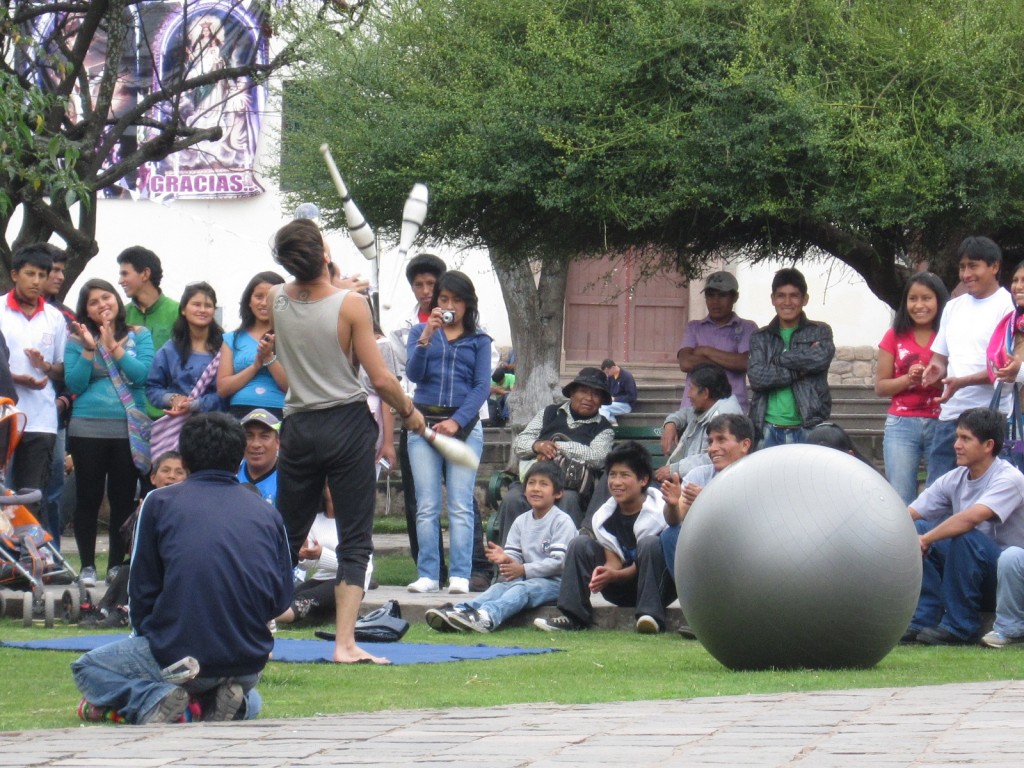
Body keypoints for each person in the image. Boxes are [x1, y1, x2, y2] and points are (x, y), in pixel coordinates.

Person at [269, 218, 425, 665]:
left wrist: (336, 277)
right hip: (346, 423)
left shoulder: (277, 297)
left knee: (286, 534)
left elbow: (311, 295)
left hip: (297, 426)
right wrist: (411, 415)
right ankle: (344, 644)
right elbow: (380, 378)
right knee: (355, 537)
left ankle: (257, 623)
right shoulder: (353, 305)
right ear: (323, 254)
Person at [70, 413, 293, 724]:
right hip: (247, 662)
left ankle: (155, 698)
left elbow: (142, 589)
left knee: (87, 667)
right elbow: (282, 598)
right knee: (251, 699)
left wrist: (152, 642)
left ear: (185, 459)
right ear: (239, 455)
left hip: (180, 657)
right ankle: (232, 705)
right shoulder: (267, 513)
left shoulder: (159, 502)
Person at [902, 408, 1024, 646]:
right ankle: (922, 619)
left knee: (964, 536)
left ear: (988, 445)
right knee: (915, 529)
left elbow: (971, 518)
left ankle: (960, 626)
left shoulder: (1010, 479)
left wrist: (927, 540)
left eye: (965, 438)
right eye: (957, 437)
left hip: (1008, 578)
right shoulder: (955, 477)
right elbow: (910, 513)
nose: (956, 444)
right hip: (972, 568)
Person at [405, 270, 491, 595]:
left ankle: (459, 575)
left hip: (465, 426)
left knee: (459, 504)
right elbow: (414, 373)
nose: (450, 305)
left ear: (468, 304)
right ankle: (428, 573)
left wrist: (457, 421)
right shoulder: (419, 331)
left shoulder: (479, 340)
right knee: (426, 505)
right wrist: (427, 335)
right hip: (423, 425)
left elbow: (482, 386)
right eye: (444, 299)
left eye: (456, 300)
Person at [65, 279, 154, 587]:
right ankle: (87, 566)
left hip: (126, 429)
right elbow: (75, 385)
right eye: (93, 301)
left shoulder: (139, 335)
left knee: (122, 498)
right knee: (87, 496)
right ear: (85, 310)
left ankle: (116, 565)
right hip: (86, 427)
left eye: (107, 297)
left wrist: (112, 345)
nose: (102, 304)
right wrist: (90, 348)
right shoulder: (76, 339)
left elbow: (141, 375)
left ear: (117, 300)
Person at [533, 441, 673, 634]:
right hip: (621, 588)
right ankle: (573, 616)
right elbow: (613, 561)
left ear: (643, 480)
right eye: (613, 475)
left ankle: (650, 618)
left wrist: (616, 575)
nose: (616, 482)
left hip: (657, 588)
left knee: (650, 544)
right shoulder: (604, 516)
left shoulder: (659, 511)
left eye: (625, 475)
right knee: (580, 543)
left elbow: (647, 560)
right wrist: (604, 574)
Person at [425, 461, 577, 633]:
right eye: (531, 483)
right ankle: (462, 610)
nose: (536, 488)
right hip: (528, 578)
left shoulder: (561, 521)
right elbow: (515, 559)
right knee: (500, 586)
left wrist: (523, 569)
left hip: (556, 583)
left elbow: (559, 563)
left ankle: (487, 617)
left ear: (558, 493)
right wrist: (507, 559)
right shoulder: (521, 521)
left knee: (521, 588)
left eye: (544, 484)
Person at [922, 236, 1014, 484]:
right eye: (962, 267)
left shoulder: (1010, 308)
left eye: (973, 266)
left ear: (994, 267)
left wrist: (962, 382)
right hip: (950, 416)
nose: (966, 274)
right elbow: (940, 357)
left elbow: (1007, 369)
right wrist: (934, 369)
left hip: (989, 419)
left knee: (985, 499)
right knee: (938, 493)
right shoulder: (954, 307)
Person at [498, 367, 615, 537]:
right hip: (536, 480)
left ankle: (566, 558)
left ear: (601, 401)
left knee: (568, 499)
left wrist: (556, 446)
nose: (589, 398)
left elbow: (597, 457)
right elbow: (519, 444)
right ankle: (508, 558)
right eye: (583, 391)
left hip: (570, 486)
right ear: (572, 393)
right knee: (512, 499)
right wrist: (537, 446)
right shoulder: (549, 413)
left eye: (596, 394)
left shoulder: (604, 429)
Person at [80, 451, 188, 629]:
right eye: (166, 470)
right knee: (126, 570)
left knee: (137, 571)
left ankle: (124, 610)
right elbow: (133, 546)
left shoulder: (187, 510)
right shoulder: (145, 507)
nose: (171, 476)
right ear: (153, 478)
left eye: (179, 472)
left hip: (173, 568)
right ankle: (104, 609)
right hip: (148, 564)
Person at [0, 243, 69, 516]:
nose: (37, 281)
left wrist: (46, 366)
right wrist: (16, 377)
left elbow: (63, 369)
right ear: (15, 275)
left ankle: (29, 556)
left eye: (43, 275)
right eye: (30, 274)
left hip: (41, 417)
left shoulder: (55, 318)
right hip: (4, 415)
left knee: (31, 496)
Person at [875, 272, 949, 503]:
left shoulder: (949, 334)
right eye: (913, 299)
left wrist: (931, 378)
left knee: (940, 494)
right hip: (901, 425)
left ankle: (935, 540)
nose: (919, 305)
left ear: (939, 300)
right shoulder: (894, 336)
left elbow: (957, 381)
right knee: (900, 497)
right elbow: (881, 387)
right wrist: (909, 379)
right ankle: (906, 540)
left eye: (926, 298)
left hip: (942, 422)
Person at [748, 267, 835, 447]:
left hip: (809, 427)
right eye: (781, 295)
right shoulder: (760, 337)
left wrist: (780, 360)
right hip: (767, 429)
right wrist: (800, 371)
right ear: (773, 299)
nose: (787, 302)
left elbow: (820, 358)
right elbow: (757, 378)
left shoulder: (820, 331)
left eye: (794, 295)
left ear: (805, 299)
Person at [676, 271, 758, 412]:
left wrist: (705, 351)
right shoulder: (694, 327)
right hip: (694, 411)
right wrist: (728, 361)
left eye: (722, 295)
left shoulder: (747, 328)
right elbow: (685, 363)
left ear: (735, 297)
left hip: (731, 411)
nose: (715, 301)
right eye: (710, 295)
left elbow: (745, 362)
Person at [146, 281, 227, 420]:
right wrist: (173, 399)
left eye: (208, 306)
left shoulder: (225, 348)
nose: (202, 310)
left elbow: (228, 392)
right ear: (183, 309)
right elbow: (152, 388)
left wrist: (195, 405)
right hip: (178, 429)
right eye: (196, 304)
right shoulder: (170, 350)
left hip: (216, 426)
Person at [655, 363, 743, 482]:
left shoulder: (724, 416)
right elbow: (685, 413)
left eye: (691, 388)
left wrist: (675, 469)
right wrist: (671, 423)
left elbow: (715, 457)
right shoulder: (708, 406)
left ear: (705, 393)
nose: (689, 395)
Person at [118, 247, 178, 419]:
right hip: (127, 410)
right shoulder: (121, 315)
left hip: (167, 412)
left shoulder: (179, 312)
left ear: (145, 274)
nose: (120, 281)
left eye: (125, 274)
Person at [217, 272, 288, 419]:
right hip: (240, 411)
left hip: (279, 411)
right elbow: (222, 388)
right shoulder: (232, 339)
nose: (264, 303)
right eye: (258, 296)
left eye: (270, 298)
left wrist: (268, 358)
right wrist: (255, 366)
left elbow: (292, 388)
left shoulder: (291, 338)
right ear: (249, 301)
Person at [41, 249, 75, 550]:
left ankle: (50, 555)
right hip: (12, 415)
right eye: (54, 269)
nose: (60, 277)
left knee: (53, 488)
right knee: (12, 491)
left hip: (55, 419)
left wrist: (63, 401)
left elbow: (76, 371)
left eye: (62, 270)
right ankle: (13, 558)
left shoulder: (66, 317)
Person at [237, 408, 280, 505]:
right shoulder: (230, 473)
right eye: (249, 436)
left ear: (278, 442)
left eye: (264, 436)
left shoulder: (289, 480)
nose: (256, 444)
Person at [598, 358, 636, 426]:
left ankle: (603, 425)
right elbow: (607, 389)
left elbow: (632, 396)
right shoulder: (611, 377)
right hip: (613, 404)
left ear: (612, 368)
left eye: (607, 372)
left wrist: (615, 399)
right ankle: (613, 422)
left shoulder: (627, 376)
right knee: (600, 406)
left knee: (604, 407)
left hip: (626, 405)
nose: (607, 374)